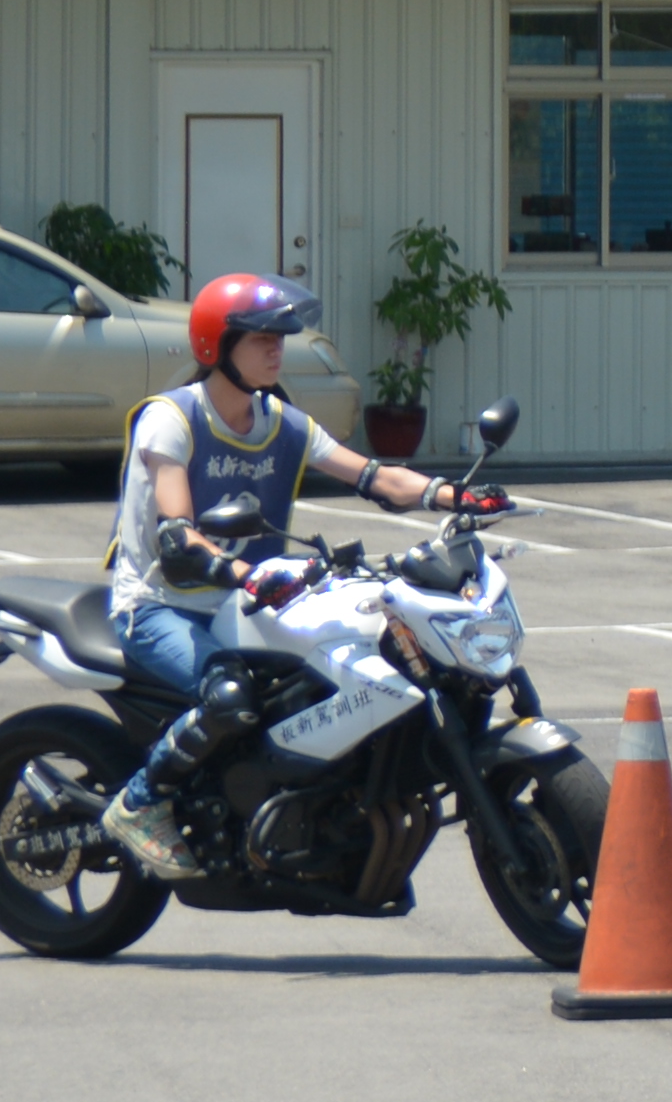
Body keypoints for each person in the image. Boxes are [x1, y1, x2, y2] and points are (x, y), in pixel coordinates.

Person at [90, 270, 440, 884]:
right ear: (216, 347)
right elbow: (178, 533)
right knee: (229, 697)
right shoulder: (171, 420)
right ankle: (140, 802)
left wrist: (454, 496)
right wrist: (239, 570)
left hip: (249, 600)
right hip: (160, 605)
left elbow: (375, 477)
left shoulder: (283, 422)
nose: (277, 347)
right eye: (260, 338)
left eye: (281, 335)